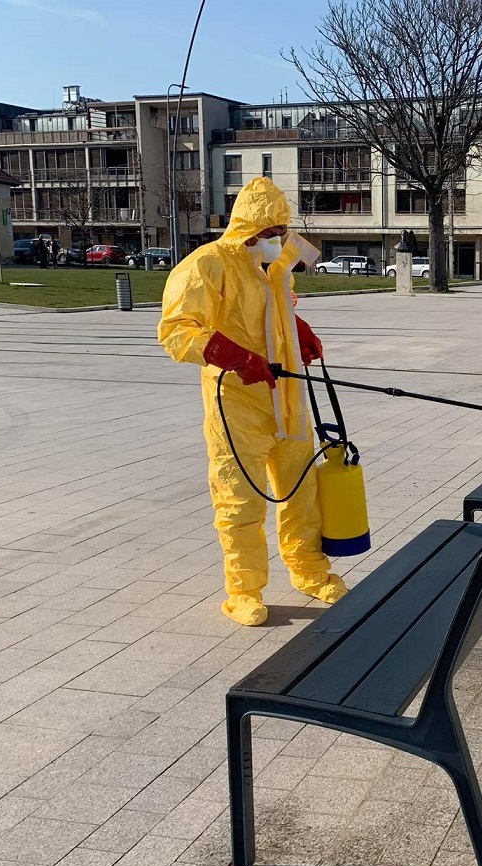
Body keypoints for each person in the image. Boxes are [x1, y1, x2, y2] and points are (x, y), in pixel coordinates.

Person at [158, 176, 347, 625]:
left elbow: (276, 308)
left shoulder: (272, 266)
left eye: (280, 232)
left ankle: (309, 570)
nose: (275, 241)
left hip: (287, 397)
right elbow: (176, 330)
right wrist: (234, 357)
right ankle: (244, 589)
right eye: (267, 234)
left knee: (302, 493)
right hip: (236, 405)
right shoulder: (207, 264)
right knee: (239, 499)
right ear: (246, 229)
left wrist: (297, 332)